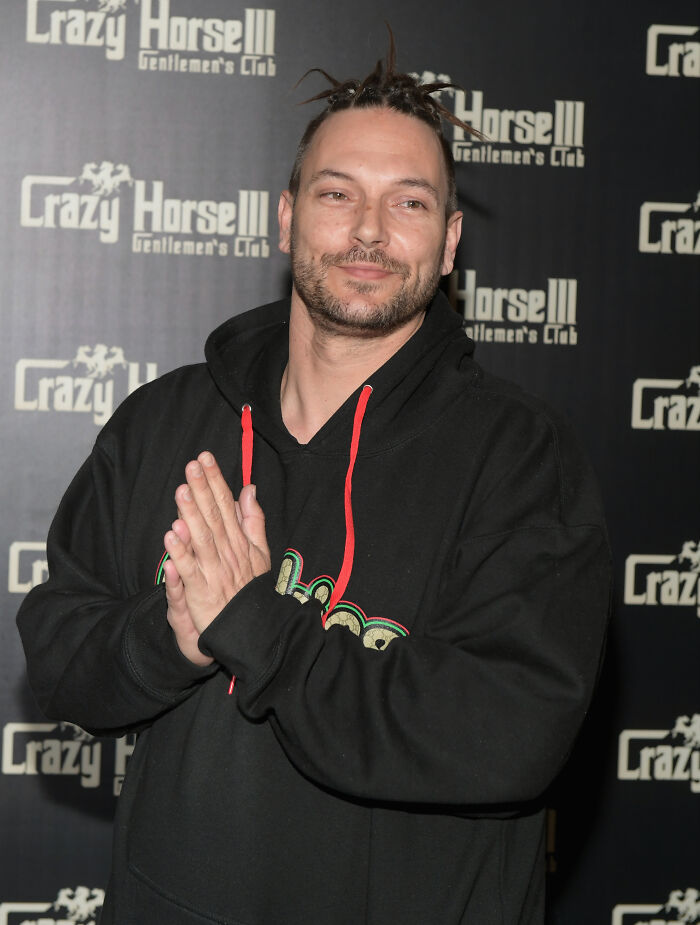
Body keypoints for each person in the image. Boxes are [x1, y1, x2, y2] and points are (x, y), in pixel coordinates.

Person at [17, 39, 610, 925]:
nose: (368, 230)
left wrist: (258, 628)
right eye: (338, 194)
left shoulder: (523, 457)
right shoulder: (165, 422)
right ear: (287, 218)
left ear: (449, 242)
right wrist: (172, 636)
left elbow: (509, 738)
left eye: (408, 202)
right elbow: (59, 654)